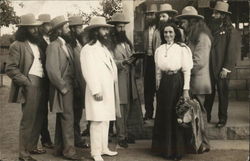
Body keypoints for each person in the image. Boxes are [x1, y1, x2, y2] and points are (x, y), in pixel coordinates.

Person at [5, 13, 46, 161]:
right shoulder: (17, 45)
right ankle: (23, 154)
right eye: (32, 28)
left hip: (42, 82)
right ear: (24, 29)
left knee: (39, 117)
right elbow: (10, 68)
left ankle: (32, 147)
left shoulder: (38, 44)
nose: (35, 30)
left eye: (36, 27)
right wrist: (26, 82)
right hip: (30, 83)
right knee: (28, 119)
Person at [80, 16, 121, 161]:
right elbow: (88, 71)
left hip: (108, 89)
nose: (106, 32)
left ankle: (104, 148)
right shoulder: (88, 49)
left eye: (106, 29)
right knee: (97, 121)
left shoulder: (104, 48)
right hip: (97, 91)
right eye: (103, 29)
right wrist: (96, 90)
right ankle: (95, 152)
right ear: (95, 32)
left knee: (105, 120)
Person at [151, 22, 193, 160]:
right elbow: (158, 71)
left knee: (176, 115)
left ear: (175, 33)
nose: (168, 35)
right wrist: (158, 86)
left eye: (170, 32)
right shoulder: (159, 49)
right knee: (164, 114)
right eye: (165, 33)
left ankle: (177, 151)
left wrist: (185, 89)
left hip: (177, 82)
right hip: (164, 84)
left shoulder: (182, 48)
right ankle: (165, 150)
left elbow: (187, 70)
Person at [46, 15, 84, 160]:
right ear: (59, 30)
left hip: (71, 86)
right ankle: (69, 152)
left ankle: (59, 148)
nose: (69, 29)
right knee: (68, 118)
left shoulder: (66, 45)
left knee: (63, 117)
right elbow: (52, 70)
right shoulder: (53, 46)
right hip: (63, 87)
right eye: (66, 27)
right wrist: (62, 87)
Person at [177, 6, 212, 153]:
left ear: (192, 22)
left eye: (183, 22)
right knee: (194, 115)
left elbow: (198, 62)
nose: (181, 25)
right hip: (193, 81)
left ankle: (204, 144)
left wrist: (182, 69)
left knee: (200, 115)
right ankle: (197, 143)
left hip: (198, 83)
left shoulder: (202, 37)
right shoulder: (192, 36)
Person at [108, 13, 144, 148]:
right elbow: (110, 61)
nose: (122, 29)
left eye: (123, 27)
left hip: (129, 79)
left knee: (129, 106)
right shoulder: (110, 44)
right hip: (119, 78)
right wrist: (122, 62)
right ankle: (121, 136)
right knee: (121, 108)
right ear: (114, 27)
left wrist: (136, 59)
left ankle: (127, 134)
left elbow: (131, 56)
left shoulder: (127, 43)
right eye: (119, 27)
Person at [204, 1, 241, 128]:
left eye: (216, 13)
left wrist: (226, 68)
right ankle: (206, 116)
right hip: (210, 67)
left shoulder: (231, 31)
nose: (213, 15)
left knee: (222, 94)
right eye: (213, 13)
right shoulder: (212, 29)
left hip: (222, 69)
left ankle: (222, 119)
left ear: (223, 15)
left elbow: (232, 51)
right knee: (209, 93)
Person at [68, 15, 89, 149]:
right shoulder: (70, 43)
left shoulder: (80, 42)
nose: (81, 29)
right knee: (74, 113)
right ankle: (76, 139)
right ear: (73, 28)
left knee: (78, 112)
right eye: (79, 27)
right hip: (75, 82)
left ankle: (76, 138)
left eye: (81, 27)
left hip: (82, 82)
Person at [37, 13, 53, 149]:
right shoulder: (36, 40)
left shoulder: (52, 39)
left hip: (51, 79)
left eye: (49, 24)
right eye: (47, 24)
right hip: (42, 79)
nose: (49, 27)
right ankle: (45, 138)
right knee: (42, 110)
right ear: (41, 26)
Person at [143, 4, 158, 120]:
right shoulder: (145, 30)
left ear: (155, 15)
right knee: (148, 89)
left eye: (152, 14)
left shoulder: (160, 29)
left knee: (159, 88)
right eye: (148, 15)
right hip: (148, 62)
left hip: (158, 61)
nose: (149, 17)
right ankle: (148, 113)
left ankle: (160, 114)